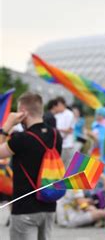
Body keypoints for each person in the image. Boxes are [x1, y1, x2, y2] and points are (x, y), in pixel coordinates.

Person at [0, 92, 63, 240]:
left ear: (23, 111)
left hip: (24, 208)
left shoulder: (20, 139)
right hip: (48, 205)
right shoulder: (56, 136)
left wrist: (7, 126)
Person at [53, 96, 75, 166]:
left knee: (64, 166)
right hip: (58, 144)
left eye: (59, 105)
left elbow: (70, 130)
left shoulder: (69, 114)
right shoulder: (56, 115)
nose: (57, 107)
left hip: (66, 144)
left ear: (63, 104)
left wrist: (57, 130)